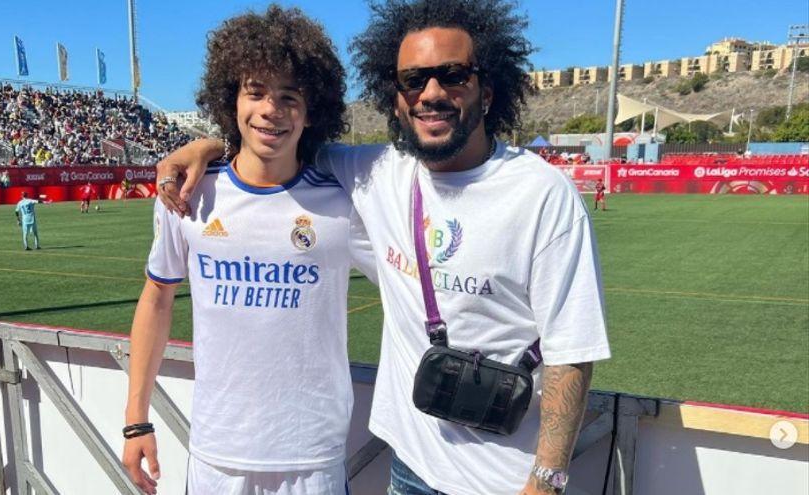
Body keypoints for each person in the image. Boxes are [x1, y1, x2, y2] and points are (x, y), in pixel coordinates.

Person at [157, 1, 610, 494]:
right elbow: (271, 140)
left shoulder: (543, 194)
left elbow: (571, 351)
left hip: (506, 481)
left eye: (453, 75)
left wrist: (545, 482)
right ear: (394, 97)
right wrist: (205, 147)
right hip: (409, 469)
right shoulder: (375, 172)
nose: (431, 93)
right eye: (413, 81)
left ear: (489, 89)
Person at [122, 6, 374, 495]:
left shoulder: (343, 200)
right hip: (219, 456)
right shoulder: (189, 194)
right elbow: (156, 298)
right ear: (230, 100)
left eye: (288, 96)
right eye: (255, 92)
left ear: (312, 108)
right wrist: (136, 419)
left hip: (313, 457)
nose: (270, 110)